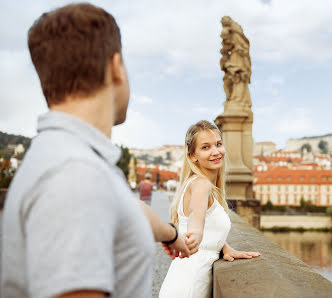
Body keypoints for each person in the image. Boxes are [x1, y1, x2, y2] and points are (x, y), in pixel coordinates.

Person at [0, 3, 190, 298]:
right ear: (116, 67)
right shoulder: (76, 175)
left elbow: (123, 209)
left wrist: (172, 234)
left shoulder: (67, 156)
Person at [159, 120, 261, 298]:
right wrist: (195, 233)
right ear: (192, 156)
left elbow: (208, 223)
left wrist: (223, 245)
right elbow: (196, 213)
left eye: (218, 144)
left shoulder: (193, 183)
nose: (216, 151)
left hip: (181, 280)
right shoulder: (201, 184)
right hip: (190, 286)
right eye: (206, 147)